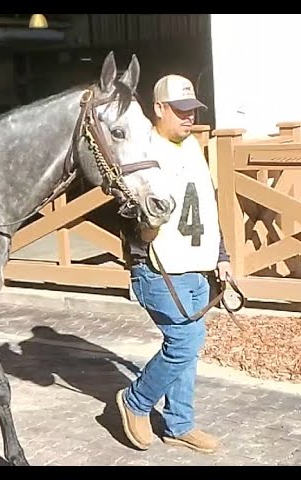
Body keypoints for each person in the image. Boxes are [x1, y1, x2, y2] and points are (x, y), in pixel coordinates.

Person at [116, 74, 232, 454]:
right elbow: (125, 207)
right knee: (185, 342)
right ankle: (135, 401)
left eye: (192, 111)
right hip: (159, 268)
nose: (188, 118)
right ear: (159, 108)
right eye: (180, 111)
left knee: (187, 346)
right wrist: (138, 236)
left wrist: (222, 256)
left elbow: (207, 204)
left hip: (196, 266)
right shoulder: (142, 148)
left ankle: (179, 423)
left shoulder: (194, 145)